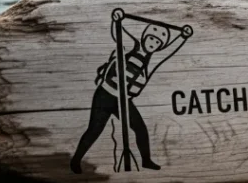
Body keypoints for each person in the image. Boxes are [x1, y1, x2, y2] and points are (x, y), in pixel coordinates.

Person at [72, 17, 192, 174]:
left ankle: (146, 161)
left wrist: (183, 36)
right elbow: (119, 32)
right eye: (151, 39)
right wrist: (117, 20)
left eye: (157, 43)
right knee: (95, 129)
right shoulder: (129, 46)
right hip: (105, 95)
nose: (153, 44)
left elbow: (168, 51)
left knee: (140, 128)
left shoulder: (153, 59)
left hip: (123, 101)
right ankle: (76, 160)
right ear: (144, 37)